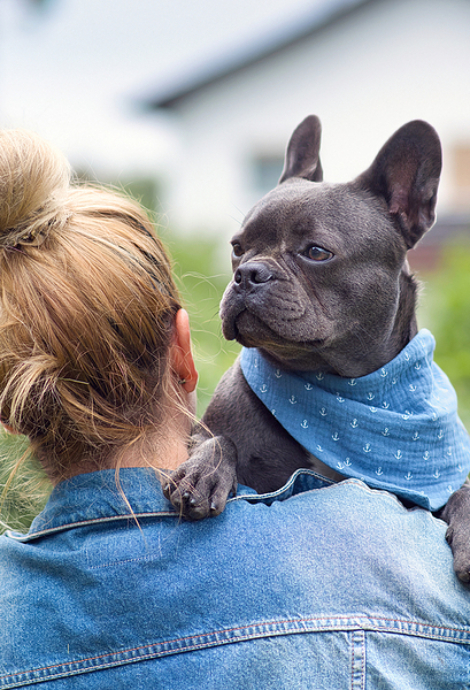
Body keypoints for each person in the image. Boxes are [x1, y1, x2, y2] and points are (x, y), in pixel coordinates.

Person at [0, 129, 469, 690]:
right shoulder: (411, 578)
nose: (251, 272)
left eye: (313, 252)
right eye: (241, 253)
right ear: (183, 350)